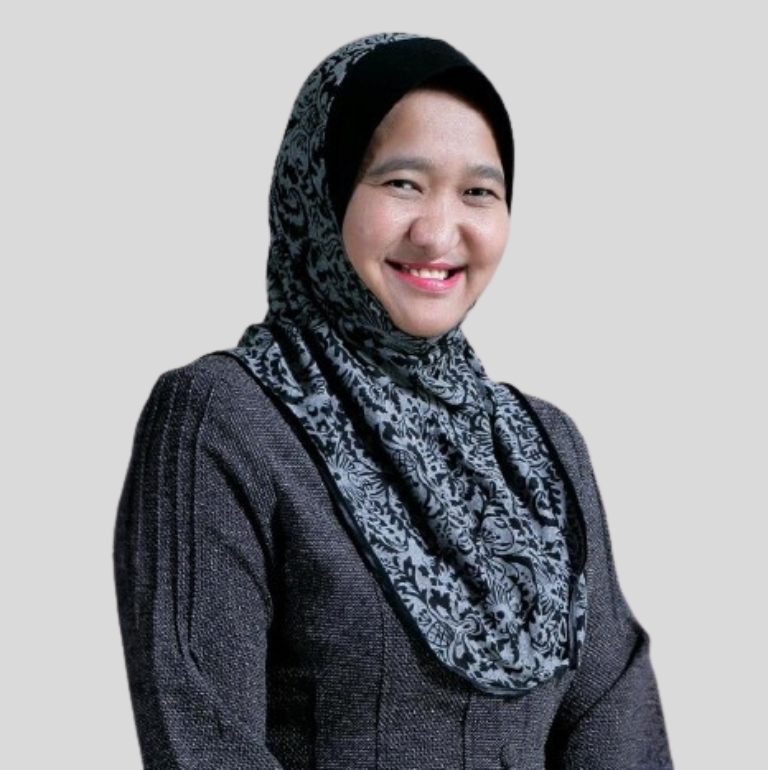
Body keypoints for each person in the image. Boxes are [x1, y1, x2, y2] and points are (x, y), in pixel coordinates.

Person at [114, 32, 674, 769]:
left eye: (479, 192)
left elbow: (617, 723)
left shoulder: (542, 448)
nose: (439, 232)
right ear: (324, 190)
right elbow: (206, 743)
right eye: (403, 183)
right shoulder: (223, 420)